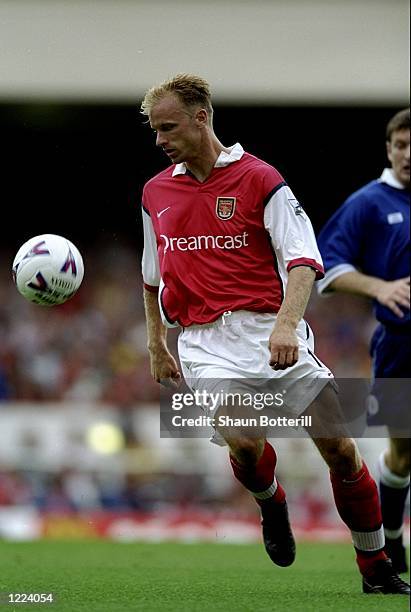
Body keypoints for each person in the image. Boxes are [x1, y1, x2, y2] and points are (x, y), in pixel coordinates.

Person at [140, 74, 409, 595]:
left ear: (202, 119)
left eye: (168, 127)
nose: (160, 140)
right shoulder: (156, 192)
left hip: (271, 330)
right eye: (154, 130)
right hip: (204, 343)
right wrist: (156, 342)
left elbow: (305, 261)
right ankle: (271, 501)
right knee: (244, 441)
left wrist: (287, 323)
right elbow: (152, 278)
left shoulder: (261, 179)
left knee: (339, 448)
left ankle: (375, 566)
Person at [317, 108, 410, 574]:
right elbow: (325, 269)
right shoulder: (368, 203)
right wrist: (380, 287)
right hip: (400, 345)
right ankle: (391, 535)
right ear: (390, 149)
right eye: (401, 145)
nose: (408, 154)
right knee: (404, 450)